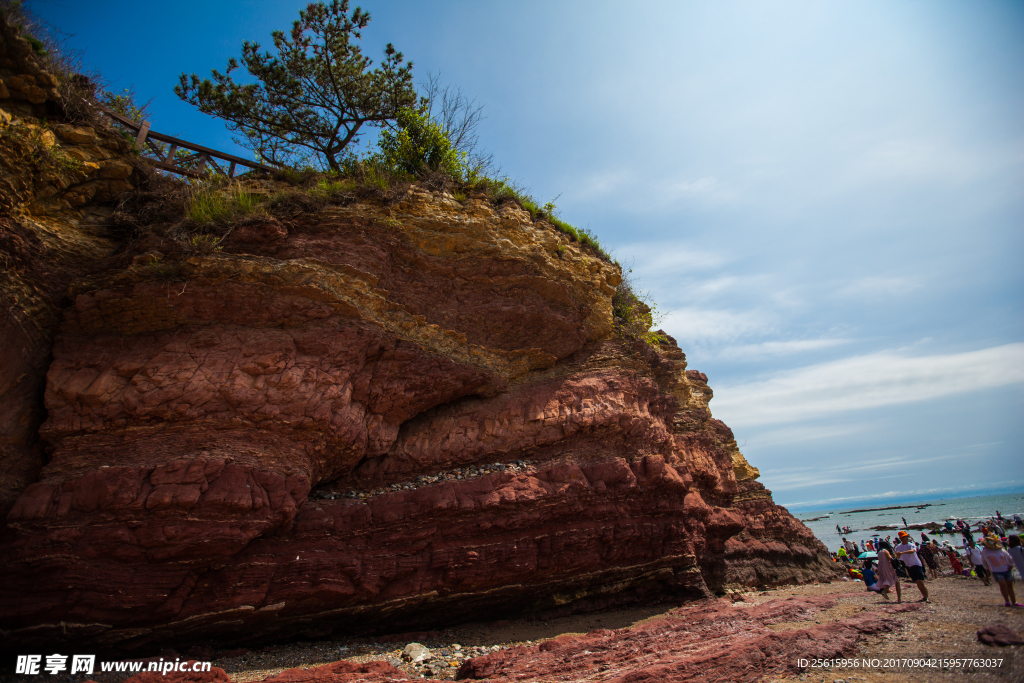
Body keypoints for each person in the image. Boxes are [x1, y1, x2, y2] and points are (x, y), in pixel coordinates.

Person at [981, 535, 1022, 607]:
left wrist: (1011, 566)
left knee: (1010, 585)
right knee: (1003, 585)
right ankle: (1007, 601)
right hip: (996, 571)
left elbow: (1009, 558)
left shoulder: (1001, 550)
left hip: (1006, 569)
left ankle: (1014, 602)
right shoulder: (985, 552)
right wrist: (987, 570)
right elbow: (984, 561)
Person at [895, 530, 929, 602]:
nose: (907, 538)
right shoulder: (898, 547)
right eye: (905, 537)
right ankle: (924, 597)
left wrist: (901, 553)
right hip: (908, 566)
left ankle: (926, 597)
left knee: (921, 581)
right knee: (917, 581)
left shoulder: (911, 544)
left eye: (907, 537)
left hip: (916, 564)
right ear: (901, 538)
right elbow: (897, 556)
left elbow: (913, 551)